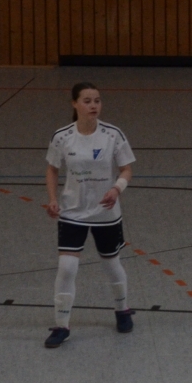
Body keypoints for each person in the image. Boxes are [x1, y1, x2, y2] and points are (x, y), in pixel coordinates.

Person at [43, 83, 135, 349]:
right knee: (67, 267)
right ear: (74, 104)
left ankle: (122, 310)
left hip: (105, 212)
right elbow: (52, 169)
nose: (93, 105)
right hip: (73, 211)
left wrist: (116, 189)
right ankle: (61, 325)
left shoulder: (112, 135)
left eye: (97, 100)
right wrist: (52, 199)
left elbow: (126, 169)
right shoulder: (62, 137)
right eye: (87, 101)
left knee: (110, 263)